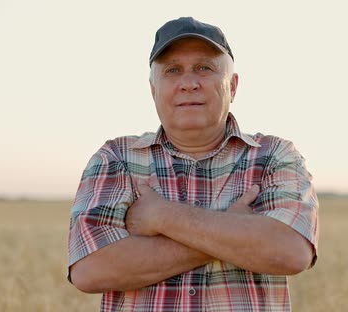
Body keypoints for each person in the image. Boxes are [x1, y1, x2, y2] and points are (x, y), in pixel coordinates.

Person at [67, 16, 319, 311]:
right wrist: (234, 226)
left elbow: (291, 251)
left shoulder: (274, 155)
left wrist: (162, 217)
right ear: (153, 89)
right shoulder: (116, 158)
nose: (189, 83)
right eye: (173, 70)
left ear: (233, 86)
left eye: (205, 68)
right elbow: (90, 269)